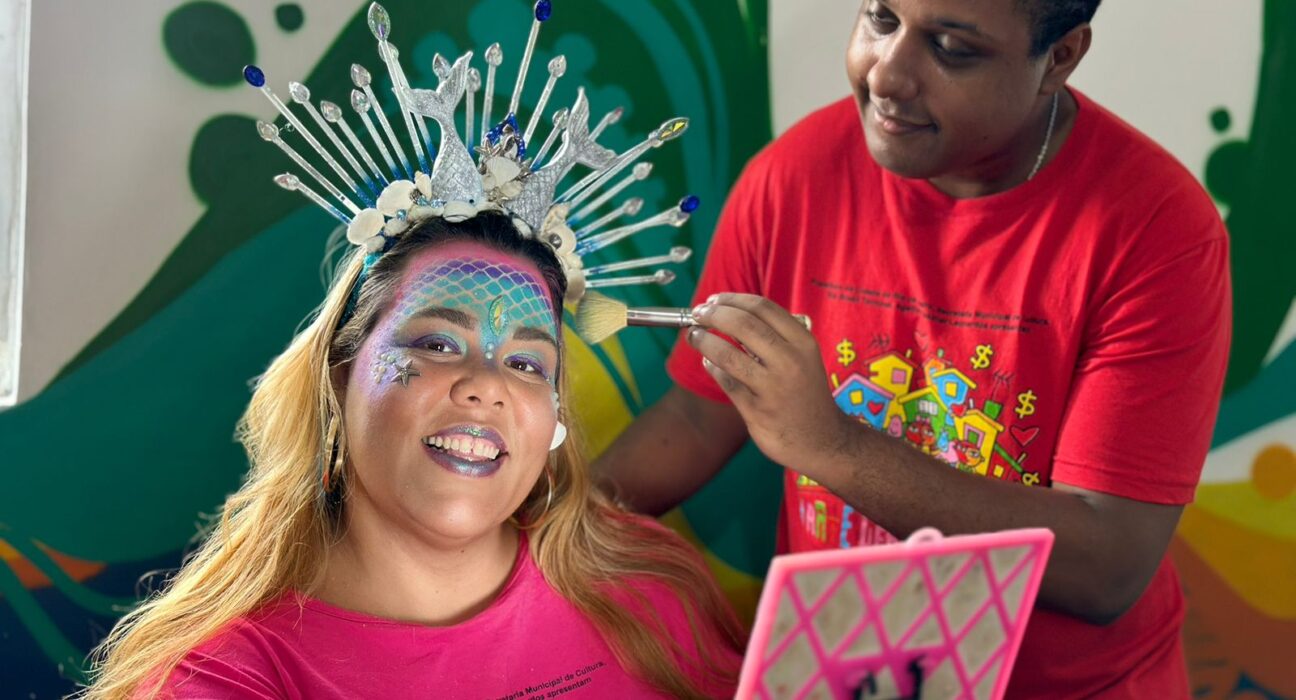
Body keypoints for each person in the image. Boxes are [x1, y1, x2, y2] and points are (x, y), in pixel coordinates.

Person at [596, 0, 1231, 696]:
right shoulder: (795, 177)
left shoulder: (1157, 232)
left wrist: (831, 446)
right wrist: (539, 521)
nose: (887, 75)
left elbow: (1106, 564)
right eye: (880, 18)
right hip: (832, 676)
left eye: (953, 48)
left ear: (1060, 58)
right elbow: (697, 419)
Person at [82, 210, 744, 699]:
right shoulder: (224, 680)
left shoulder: (652, 586)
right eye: (437, 345)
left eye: (525, 362)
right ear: (341, 376)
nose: (487, 385)